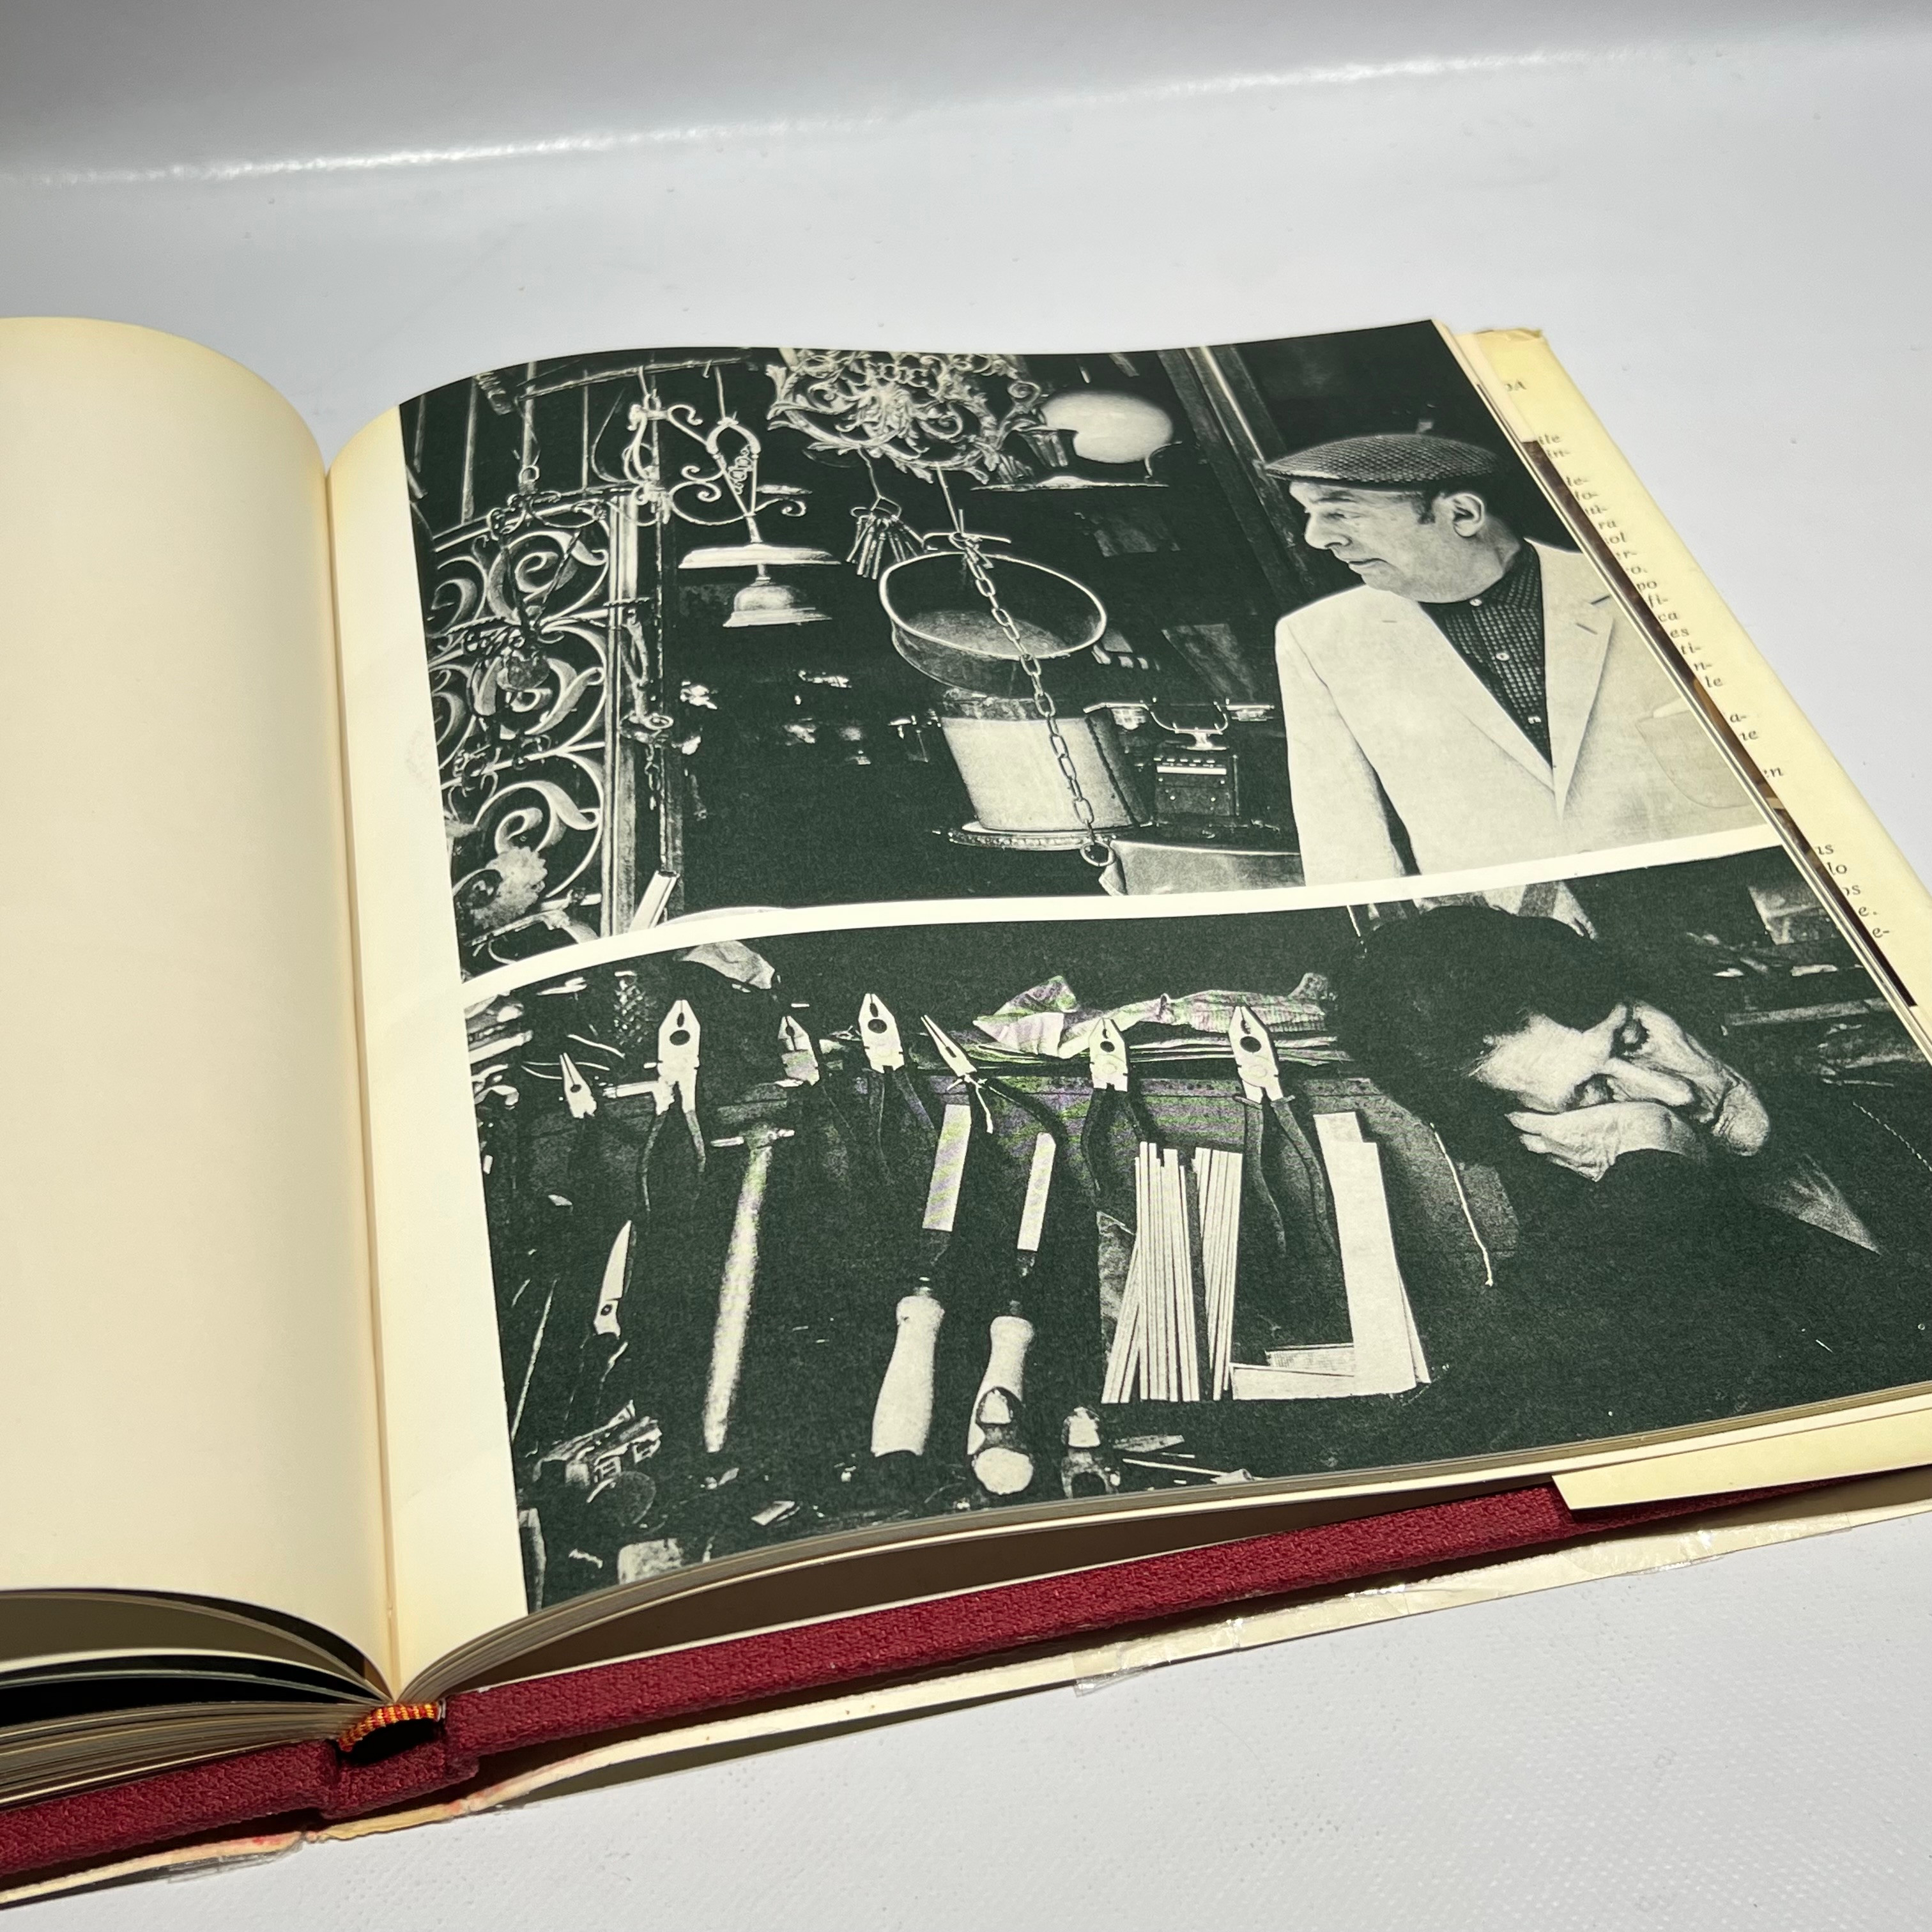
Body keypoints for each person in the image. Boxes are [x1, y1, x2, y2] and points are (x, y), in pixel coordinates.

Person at [1333, 902, 1932, 1442]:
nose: (1674, 1094)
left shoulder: (1876, 1104)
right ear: (1539, 1138)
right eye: (1595, 1093)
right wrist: (1653, 1173)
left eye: (1634, 1038)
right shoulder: (1619, 1281)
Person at [1268, 434, 1760, 885]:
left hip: (1715, 891)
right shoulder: (1318, 640)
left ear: (1463, 514)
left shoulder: (1650, 593)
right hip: (1509, 928)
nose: (1317, 538)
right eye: (1309, 514)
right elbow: (1338, 824)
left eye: (1341, 513)